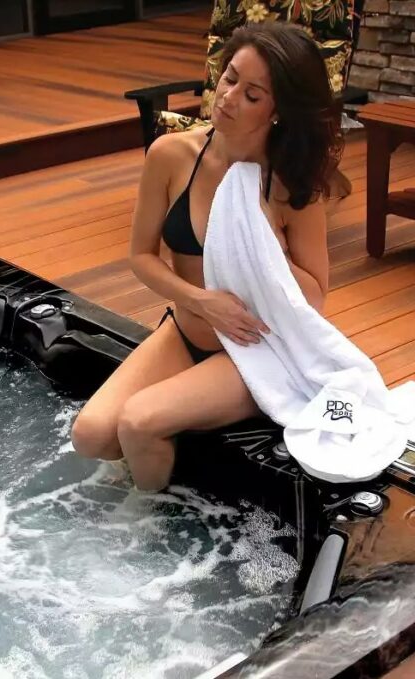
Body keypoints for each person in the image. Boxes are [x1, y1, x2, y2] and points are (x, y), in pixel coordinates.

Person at [71, 21, 342, 491]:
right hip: (189, 328)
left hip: (260, 350)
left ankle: (143, 528)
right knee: (92, 434)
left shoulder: (291, 184)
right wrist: (200, 301)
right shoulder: (172, 154)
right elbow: (141, 255)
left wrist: (262, 231)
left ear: (279, 112)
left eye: (253, 95)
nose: (229, 97)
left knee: (139, 422)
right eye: (230, 77)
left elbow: (315, 297)